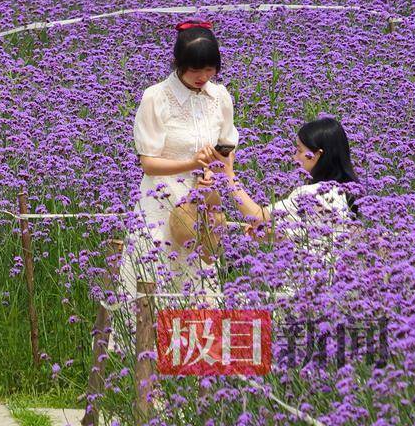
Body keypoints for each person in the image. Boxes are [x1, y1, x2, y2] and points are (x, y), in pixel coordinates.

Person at [119, 19, 239, 313]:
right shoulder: (156, 97)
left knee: (200, 276)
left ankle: (196, 352)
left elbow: (227, 145)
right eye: (196, 69)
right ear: (178, 63)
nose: (203, 76)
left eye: (210, 70)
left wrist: (219, 172)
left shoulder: (220, 96)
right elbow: (148, 163)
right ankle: (144, 352)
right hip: (161, 199)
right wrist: (191, 162)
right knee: (154, 271)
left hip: (202, 197)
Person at [220, 115, 360, 240]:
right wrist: (268, 235)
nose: (294, 157)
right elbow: (309, 237)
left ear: (317, 154)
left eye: (299, 150)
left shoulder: (313, 194)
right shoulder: (342, 192)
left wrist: (228, 173)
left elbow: (259, 218)